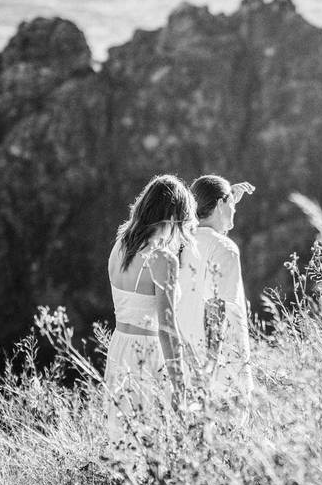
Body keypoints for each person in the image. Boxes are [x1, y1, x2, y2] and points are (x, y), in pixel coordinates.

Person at [105, 174, 196, 442]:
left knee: (124, 440)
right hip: (149, 354)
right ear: (173, 216)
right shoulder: (162, 259)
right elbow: (166, 329)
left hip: (120, 347)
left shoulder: (121, 245)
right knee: (159, 441)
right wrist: (180, 385)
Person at [178, 175, 255, 400]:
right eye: (231, 205)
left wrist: (227, 199)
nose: (235, 210)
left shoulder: (180, 243)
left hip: (183, 363)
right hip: (220, 372)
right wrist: (210, 370)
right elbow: (217, 308)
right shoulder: (225, 249)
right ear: (220, 204)